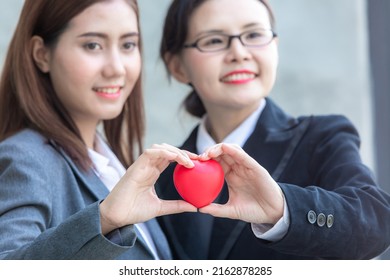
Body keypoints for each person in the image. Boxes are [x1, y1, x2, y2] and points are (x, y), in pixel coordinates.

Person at [155, 0, 390, 259]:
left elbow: (375, 223)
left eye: (254, 35)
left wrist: (282, 208)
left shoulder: (321, 138)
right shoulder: (159, 175)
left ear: (274, 48)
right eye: (213, 40)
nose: (239, 53)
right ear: (177, 66)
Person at [0, 0, 197, 260]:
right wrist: (104, 219)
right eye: (92, 45)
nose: (116, 68)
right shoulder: (26, 160)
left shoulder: (112, 163)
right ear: (41, 54)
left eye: (128, 45)